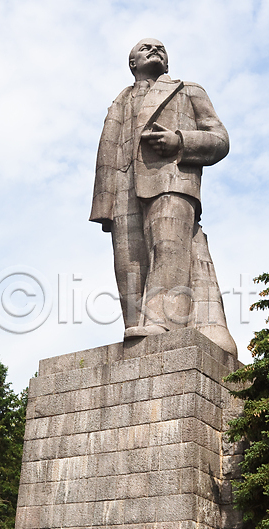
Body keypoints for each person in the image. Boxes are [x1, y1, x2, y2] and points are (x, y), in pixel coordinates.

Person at [90, 38, 237, 356]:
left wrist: (180, 141)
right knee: (129, 264)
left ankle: (164, 322)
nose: (155, 51)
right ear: (133, 63)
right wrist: (104, 203)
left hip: (172, 180)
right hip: (123, 188)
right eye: (145, 49)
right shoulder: (119, 103)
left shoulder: (188, 90)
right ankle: (138, 327)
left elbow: (220, 139)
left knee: (167, 247)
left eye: (161, 49)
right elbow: (107, 153)